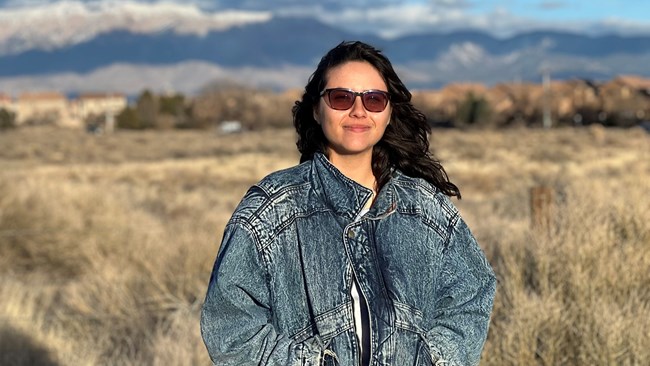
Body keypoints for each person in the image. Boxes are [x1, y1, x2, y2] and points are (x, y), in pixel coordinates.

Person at [200, 40, 496, 366]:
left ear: (388, 112)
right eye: (341, 98)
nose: (359, 110)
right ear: (316, 108)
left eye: (374, 99)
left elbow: (471, 295)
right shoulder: (272, 210)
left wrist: (430, 358)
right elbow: (230, 329)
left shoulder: (425, 208)